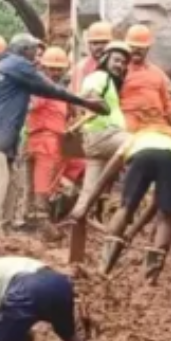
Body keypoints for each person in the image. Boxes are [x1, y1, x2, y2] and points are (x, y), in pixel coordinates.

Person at [0, 33, 108, 238]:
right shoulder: (17, 65)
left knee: (9, 185)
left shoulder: (6, 66)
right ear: (24, 51)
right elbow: (49, 90)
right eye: (34, 51)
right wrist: (86, 102)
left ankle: (2, 234)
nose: (38, 58)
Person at [71, 124, 171, 282]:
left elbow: (106, 176)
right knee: (166, 218)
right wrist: (133, 231)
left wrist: (85, 208)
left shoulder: (136, 138)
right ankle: (151, 278)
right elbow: (158, 203)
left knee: (126, 208)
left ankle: (104, 268)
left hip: (142, 154)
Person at [71, 42, 134, 217]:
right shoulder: (99, 77)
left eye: (123, 63)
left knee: (89, 192)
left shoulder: (110, 83)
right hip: (103, 134)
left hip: (99, 138)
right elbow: (86, 94)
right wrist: (100, 104)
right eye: (117, 60)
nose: (120, 66)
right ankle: (129, 196)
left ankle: (77, 222)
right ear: (106, 59)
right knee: (137, 146)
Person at [25, 46, 86, 222]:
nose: (55, 72)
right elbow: (30, 105)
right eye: (52, 68)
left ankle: (56, 213)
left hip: (59, 141)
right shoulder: (40, 88)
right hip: (43, 141)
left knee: (79, 166)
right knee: (42, 184)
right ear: (43, 68)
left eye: (59, 69)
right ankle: (42, 221)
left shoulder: (58, 90)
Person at [119, 24, 171, 132]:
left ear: (148, 48)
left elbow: (167, 102)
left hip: (156, 122)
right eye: (132, 47)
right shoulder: (118, 71)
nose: (136, 50)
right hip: (129, 121)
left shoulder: (157, 73)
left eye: (140, 48)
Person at [71, 21, 114, 93]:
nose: (100, 47)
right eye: (95, 43)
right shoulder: (81, 67)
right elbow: (78, 94)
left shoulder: (117, 65)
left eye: (104, 42)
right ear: (89, 45)